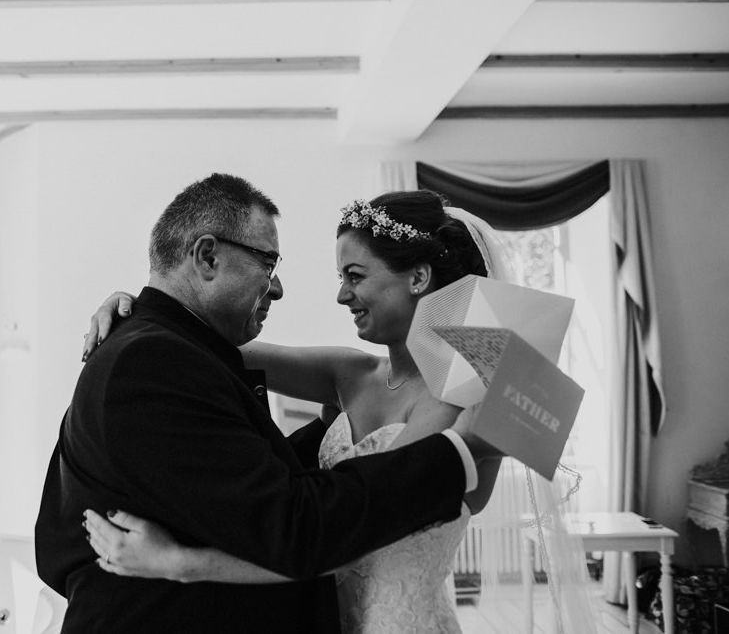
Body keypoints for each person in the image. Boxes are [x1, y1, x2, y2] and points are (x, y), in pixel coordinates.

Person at [35, 175, 500, 634]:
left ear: (418, 277)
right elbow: (199, 349)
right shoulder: (346, 374)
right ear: (207, 256)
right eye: (269, 265)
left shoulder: (457, 398)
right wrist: (139, 308)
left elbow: (339, 537)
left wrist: (183, 563)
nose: (340, 295)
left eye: (355, 277)